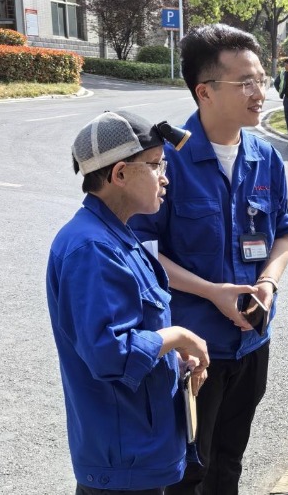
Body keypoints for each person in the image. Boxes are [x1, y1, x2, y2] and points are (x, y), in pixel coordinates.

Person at [129, 24, 288, 495]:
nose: (259, 93)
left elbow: (283, 235)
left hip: (252, 344)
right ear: (204, 91)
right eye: (245, 82)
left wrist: (268, 284)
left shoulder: (267, 158)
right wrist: (213, 292)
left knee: (229, 463)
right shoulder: (165, 161)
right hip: (194, 351)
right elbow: (143, 253)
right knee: (188, 472)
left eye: (261, 79)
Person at [47, 110, 211, 495]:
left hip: (139, 446)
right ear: (119, 174)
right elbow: (109, 353)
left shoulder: (115, 235)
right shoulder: (92, 248)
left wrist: (171, 357)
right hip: (123, 460)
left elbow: (136, 330)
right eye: (155, 165)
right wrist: (178, 337)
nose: (165, 177)